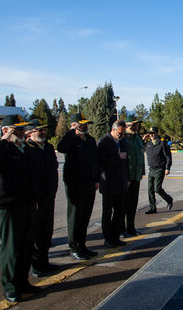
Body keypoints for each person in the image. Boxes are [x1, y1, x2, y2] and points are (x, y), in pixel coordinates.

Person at [0, 114, 39, 303]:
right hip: (8, 207)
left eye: (23, 130)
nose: (22, 133)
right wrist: (4, 140)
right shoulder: (0, 150)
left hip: (27, 204)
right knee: (11, 249)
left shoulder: (22, 149)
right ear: (5, 131)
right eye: (17, 130)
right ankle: (10, 287)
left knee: (26, 247)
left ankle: (23, 282)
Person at [57, 113, 99, 260]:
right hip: (75, 184)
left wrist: (96, 179)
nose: (85, 127)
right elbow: (61, 148)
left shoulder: (90, 140)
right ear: (74, 125)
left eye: (86, 124)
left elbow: (95, 161)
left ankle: (82, 245)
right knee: (75, 216)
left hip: (89, 183)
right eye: (81, 124)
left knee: (85, 216)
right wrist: (71, 132)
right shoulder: (71, 140)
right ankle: (74, 247)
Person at [24, 119, 59, 277]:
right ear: (30, 133)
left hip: (48, 195)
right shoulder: (26, 149)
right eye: (40, 130)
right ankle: (35, 264)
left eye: (44, 130)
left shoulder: (48, 147)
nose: (43, 132)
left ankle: (44, 261)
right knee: (35, 232)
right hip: (35, 198)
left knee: (46, 231)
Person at [97, 120, 130, 247]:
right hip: (109, 183)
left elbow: (126, 160)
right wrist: (118, 157)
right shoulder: (104, 142)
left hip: (121, 182)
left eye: (123, 134)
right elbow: (100, 161)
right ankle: (108, 239)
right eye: (120, 133)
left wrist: (127, 178)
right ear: (113, 130)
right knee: (107, 213)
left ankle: (116, 237)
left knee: (119, 212)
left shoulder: (122, 142)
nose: (122, 136)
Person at [123, 118, 146, 237]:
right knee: (123, 205)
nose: (135, 127)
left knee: (133, 205)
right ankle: (121, 230)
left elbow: (141, 155)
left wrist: (142, 171)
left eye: (137, 125)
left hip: (136, 176)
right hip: (126, 177)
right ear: (126, 125)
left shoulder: (137, 138)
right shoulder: (123, 138)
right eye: (132, 125)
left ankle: (131, 228)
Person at [143, 127, 173, 214]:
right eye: (150, 133)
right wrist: (143, 139)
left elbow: (168, 156)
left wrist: (167, 168)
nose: (151, 135)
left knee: (157, 188)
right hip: (151, 169)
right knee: (150, 189)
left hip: (160, 168)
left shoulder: (162, 143)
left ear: (157, 133)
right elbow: (139, 147)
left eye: (153, 133)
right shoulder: (148, 144)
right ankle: (152, 208)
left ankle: (169, 199)